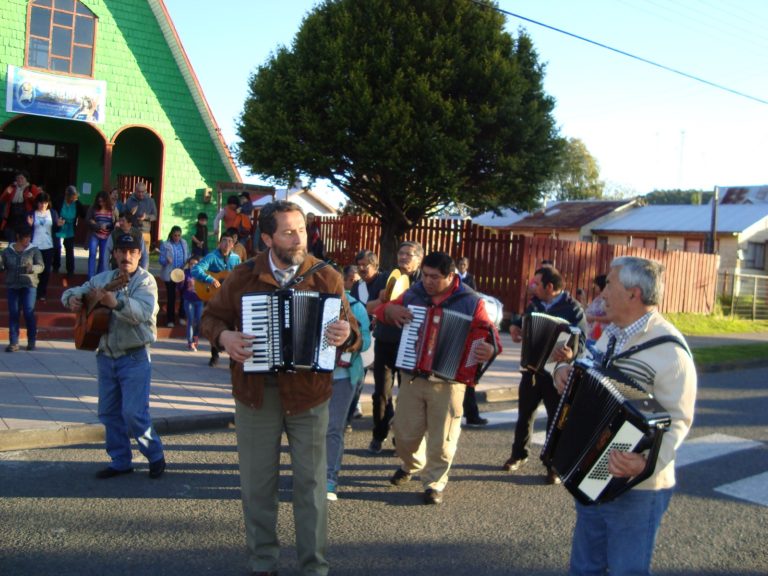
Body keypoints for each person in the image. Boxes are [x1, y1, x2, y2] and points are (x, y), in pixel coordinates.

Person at [200, 200, 358, 576]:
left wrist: (347, 333)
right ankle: (262, 563)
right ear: (268, 237)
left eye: (301, 229)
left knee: (312, 486)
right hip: (257, 394)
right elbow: (210, 318)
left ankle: (313, 567)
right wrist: (224, 338)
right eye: (288, 232)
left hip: (310, 395)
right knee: (258, 484)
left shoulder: (328, 277)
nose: (298, 238)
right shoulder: (241, 276)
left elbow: (351, 331)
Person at [553, 256, 697, 576]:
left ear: (633, 294)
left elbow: (678, 421)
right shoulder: (612, 334)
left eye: (609, 284)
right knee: (584, 568)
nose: (602, 292)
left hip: (637, 488)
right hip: (593, 473)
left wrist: (645, 462)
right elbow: (588, 374)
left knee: (626, 570)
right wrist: (563, 371)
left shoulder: (670, 350)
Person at [375, 252, 500, 504]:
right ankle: (413, 464)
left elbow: (491, 336)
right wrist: (392, 311)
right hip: (412, 376)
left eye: (435, 277)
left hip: (450, 382)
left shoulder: (471, 301)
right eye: (426, 275)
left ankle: (434, 482)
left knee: (443, 440)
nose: (428, 281)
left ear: (451, 276)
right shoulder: (413, 294)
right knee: (403, 436)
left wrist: (490, 349)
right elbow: (381, 311)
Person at [61, 233, 166, 480]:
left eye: (132, 252)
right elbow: (77, 290)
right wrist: (73, 299)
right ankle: (121, 460)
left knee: (133, 413)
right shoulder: (104, 278)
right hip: (106, 356)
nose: (126, 256)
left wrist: (115, 303)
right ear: (115, 254)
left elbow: (142, 312)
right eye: (122, 251)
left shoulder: (146, 282)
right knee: (108, 412)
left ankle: (155, 454)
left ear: (140, 255)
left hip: (135, 357)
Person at [503, 266, 587, 484]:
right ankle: (518, 455)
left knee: (555, 419)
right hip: (531, 370)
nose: (533, 287)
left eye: (536, 284)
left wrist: (572, 353)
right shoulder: (535, 304)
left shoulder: (573, 309)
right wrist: (514, 327)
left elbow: (584, 342)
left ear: (550, 287)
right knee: (524, 416)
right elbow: (521, 321)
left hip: (556, 373)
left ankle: (553, 465)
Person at [365, 241, 424, 454]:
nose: (404, 257)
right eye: (401, 253)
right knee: (381, 392)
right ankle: (378, 434)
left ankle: (402, 439)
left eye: (409, 254)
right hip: (385, 341)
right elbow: (368, 307)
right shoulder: (385, 278)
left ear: (419, 259)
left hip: (411, 344)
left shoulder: (423, 282)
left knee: (408, 394)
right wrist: (381, 300)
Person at [327, 270, 371, 500]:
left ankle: (329, 480)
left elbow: (365, 342)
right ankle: (309, 475)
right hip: (310, 377)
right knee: (308, 429)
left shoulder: (356, 306)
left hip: (343, 375)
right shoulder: (309, 298)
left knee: (333, 428)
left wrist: (349, 339)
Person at [192, 231, 241, 367]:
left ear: (233, 244)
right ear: (219, 243)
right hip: (215, 296)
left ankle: (233, 358)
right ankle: (214, 355)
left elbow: (239, 275)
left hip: (230, 296)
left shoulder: (236, 259)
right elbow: (196, 270)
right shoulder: (212, 257)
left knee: (233, 325)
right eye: (224, 240)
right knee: (216, 323)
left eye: (229, 241)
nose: (226, 244)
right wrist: (210, 279)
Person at [1, 226, 44, 352]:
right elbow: (2, 266)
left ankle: (31, 340)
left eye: (29, 237)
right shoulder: (7, 251)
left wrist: (33, 269)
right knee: (14, 313)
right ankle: (13, 342)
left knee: (28, 311)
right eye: (25, 238)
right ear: (18, 237)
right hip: (13, 285)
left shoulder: (34, 250)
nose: (27, 240)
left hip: (29, 285)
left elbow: (41, 266)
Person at [27, 192, 60, 302]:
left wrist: (59, 225)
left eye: (45, 203)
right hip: (34, 245)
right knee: (35, 270)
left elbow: (56, 230)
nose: (43, 205)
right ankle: (33, 291)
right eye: (41, 203)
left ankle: (42, 293)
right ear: (37, 203)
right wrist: (30, 225)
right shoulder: (32, 213)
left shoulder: (53, 213)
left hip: (49, 245)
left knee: (46, 271)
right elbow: (26, 230)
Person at [158, 225, 189, 328]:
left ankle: (181, 317)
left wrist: (188, 262)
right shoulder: (165, 244)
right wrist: (166, 261)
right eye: (175, 235)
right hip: (170, 273)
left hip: (181, 273)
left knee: (183, 296)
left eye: (179, 235)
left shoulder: (184, 243)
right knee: (171, 297)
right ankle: (170, 320)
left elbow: (187, 255)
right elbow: (160, 260)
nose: (177, 237)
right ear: (171, 234)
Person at [85, 190, 117, 278]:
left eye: (103, 201)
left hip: (106, 236)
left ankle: (99, 277)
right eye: (99, 201)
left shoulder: (113, 209)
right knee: (92, 254)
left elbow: (116, 222)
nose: (101, 203)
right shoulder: (93, 208)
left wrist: (110, 226)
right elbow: (88, 220)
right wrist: (98, 225)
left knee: (103, 257)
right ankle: (90, 277)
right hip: (95, 234)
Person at [53, 185, 84, 277]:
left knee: (69, 249)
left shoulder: (77, 203)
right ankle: (55, 267)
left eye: (75, 196)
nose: (75, 198)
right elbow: (53, 212)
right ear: (68, 196)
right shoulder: (59, 201)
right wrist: (56, 220)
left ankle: (70, 270)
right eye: (73, 196)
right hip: (59, 226)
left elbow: (84, 214)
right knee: (57, 248)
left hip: (70, 228)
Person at [1, 172, 40, 243]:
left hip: (25, 219)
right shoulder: (12, 187)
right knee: (11, 240)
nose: (19, 180)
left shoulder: (32, 187)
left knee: (24, 240)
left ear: (26, 179)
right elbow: (2, 199)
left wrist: (31, 197)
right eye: (18, 178)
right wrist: (7, 193)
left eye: (22, 178)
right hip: (12, 218)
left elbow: (39, 202)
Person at [180, 256, 203, 351]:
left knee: (198, 320)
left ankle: (195, 337)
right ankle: (190, 342)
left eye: (195, 264)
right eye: (191, 264)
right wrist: (180, 282)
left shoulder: (201, 274)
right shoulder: (185, 273)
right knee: (190, 320)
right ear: (188, 265)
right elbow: (180, 288)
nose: (193, 265)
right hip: (188, 299)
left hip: (199, 300)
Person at [125, 181, 157, 248]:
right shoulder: (129, 201)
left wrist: (146, 217)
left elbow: (155, 216)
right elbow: (124, 217)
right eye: (139, 192)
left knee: (144, 255)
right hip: (132, 231)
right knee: (132, 254)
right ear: (135, 191)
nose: (140, 194)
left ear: (145, 191)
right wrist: (130, 213)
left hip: (145, 232)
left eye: (142, 192)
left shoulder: (151, 201)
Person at [584, 274, 608, 348]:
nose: (595, 287)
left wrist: (593, 318)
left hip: (599, 332)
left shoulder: (607, 299)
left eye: (596, 285)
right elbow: (588, 311)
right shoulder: (598, 298)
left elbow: (610, 317)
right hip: (590, 333)